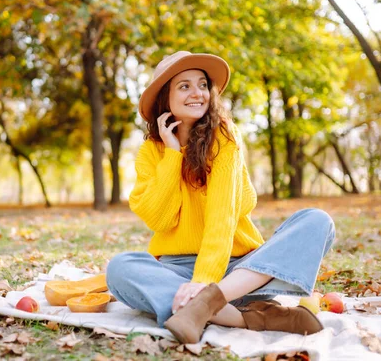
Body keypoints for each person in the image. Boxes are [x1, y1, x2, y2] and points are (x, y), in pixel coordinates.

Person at [105, 51, 336, 344]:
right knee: (119, 268)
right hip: (178, 272)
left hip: (243, 271)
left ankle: (207, 303)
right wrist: (174, 155)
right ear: (165, 98)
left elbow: (222, 217)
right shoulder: (151, 152)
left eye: (202, 84)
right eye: (184, 86)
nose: (197, 93)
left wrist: (205, 281)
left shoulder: (225, 139)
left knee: (317, 221)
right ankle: (243, 317)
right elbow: (160, 218)